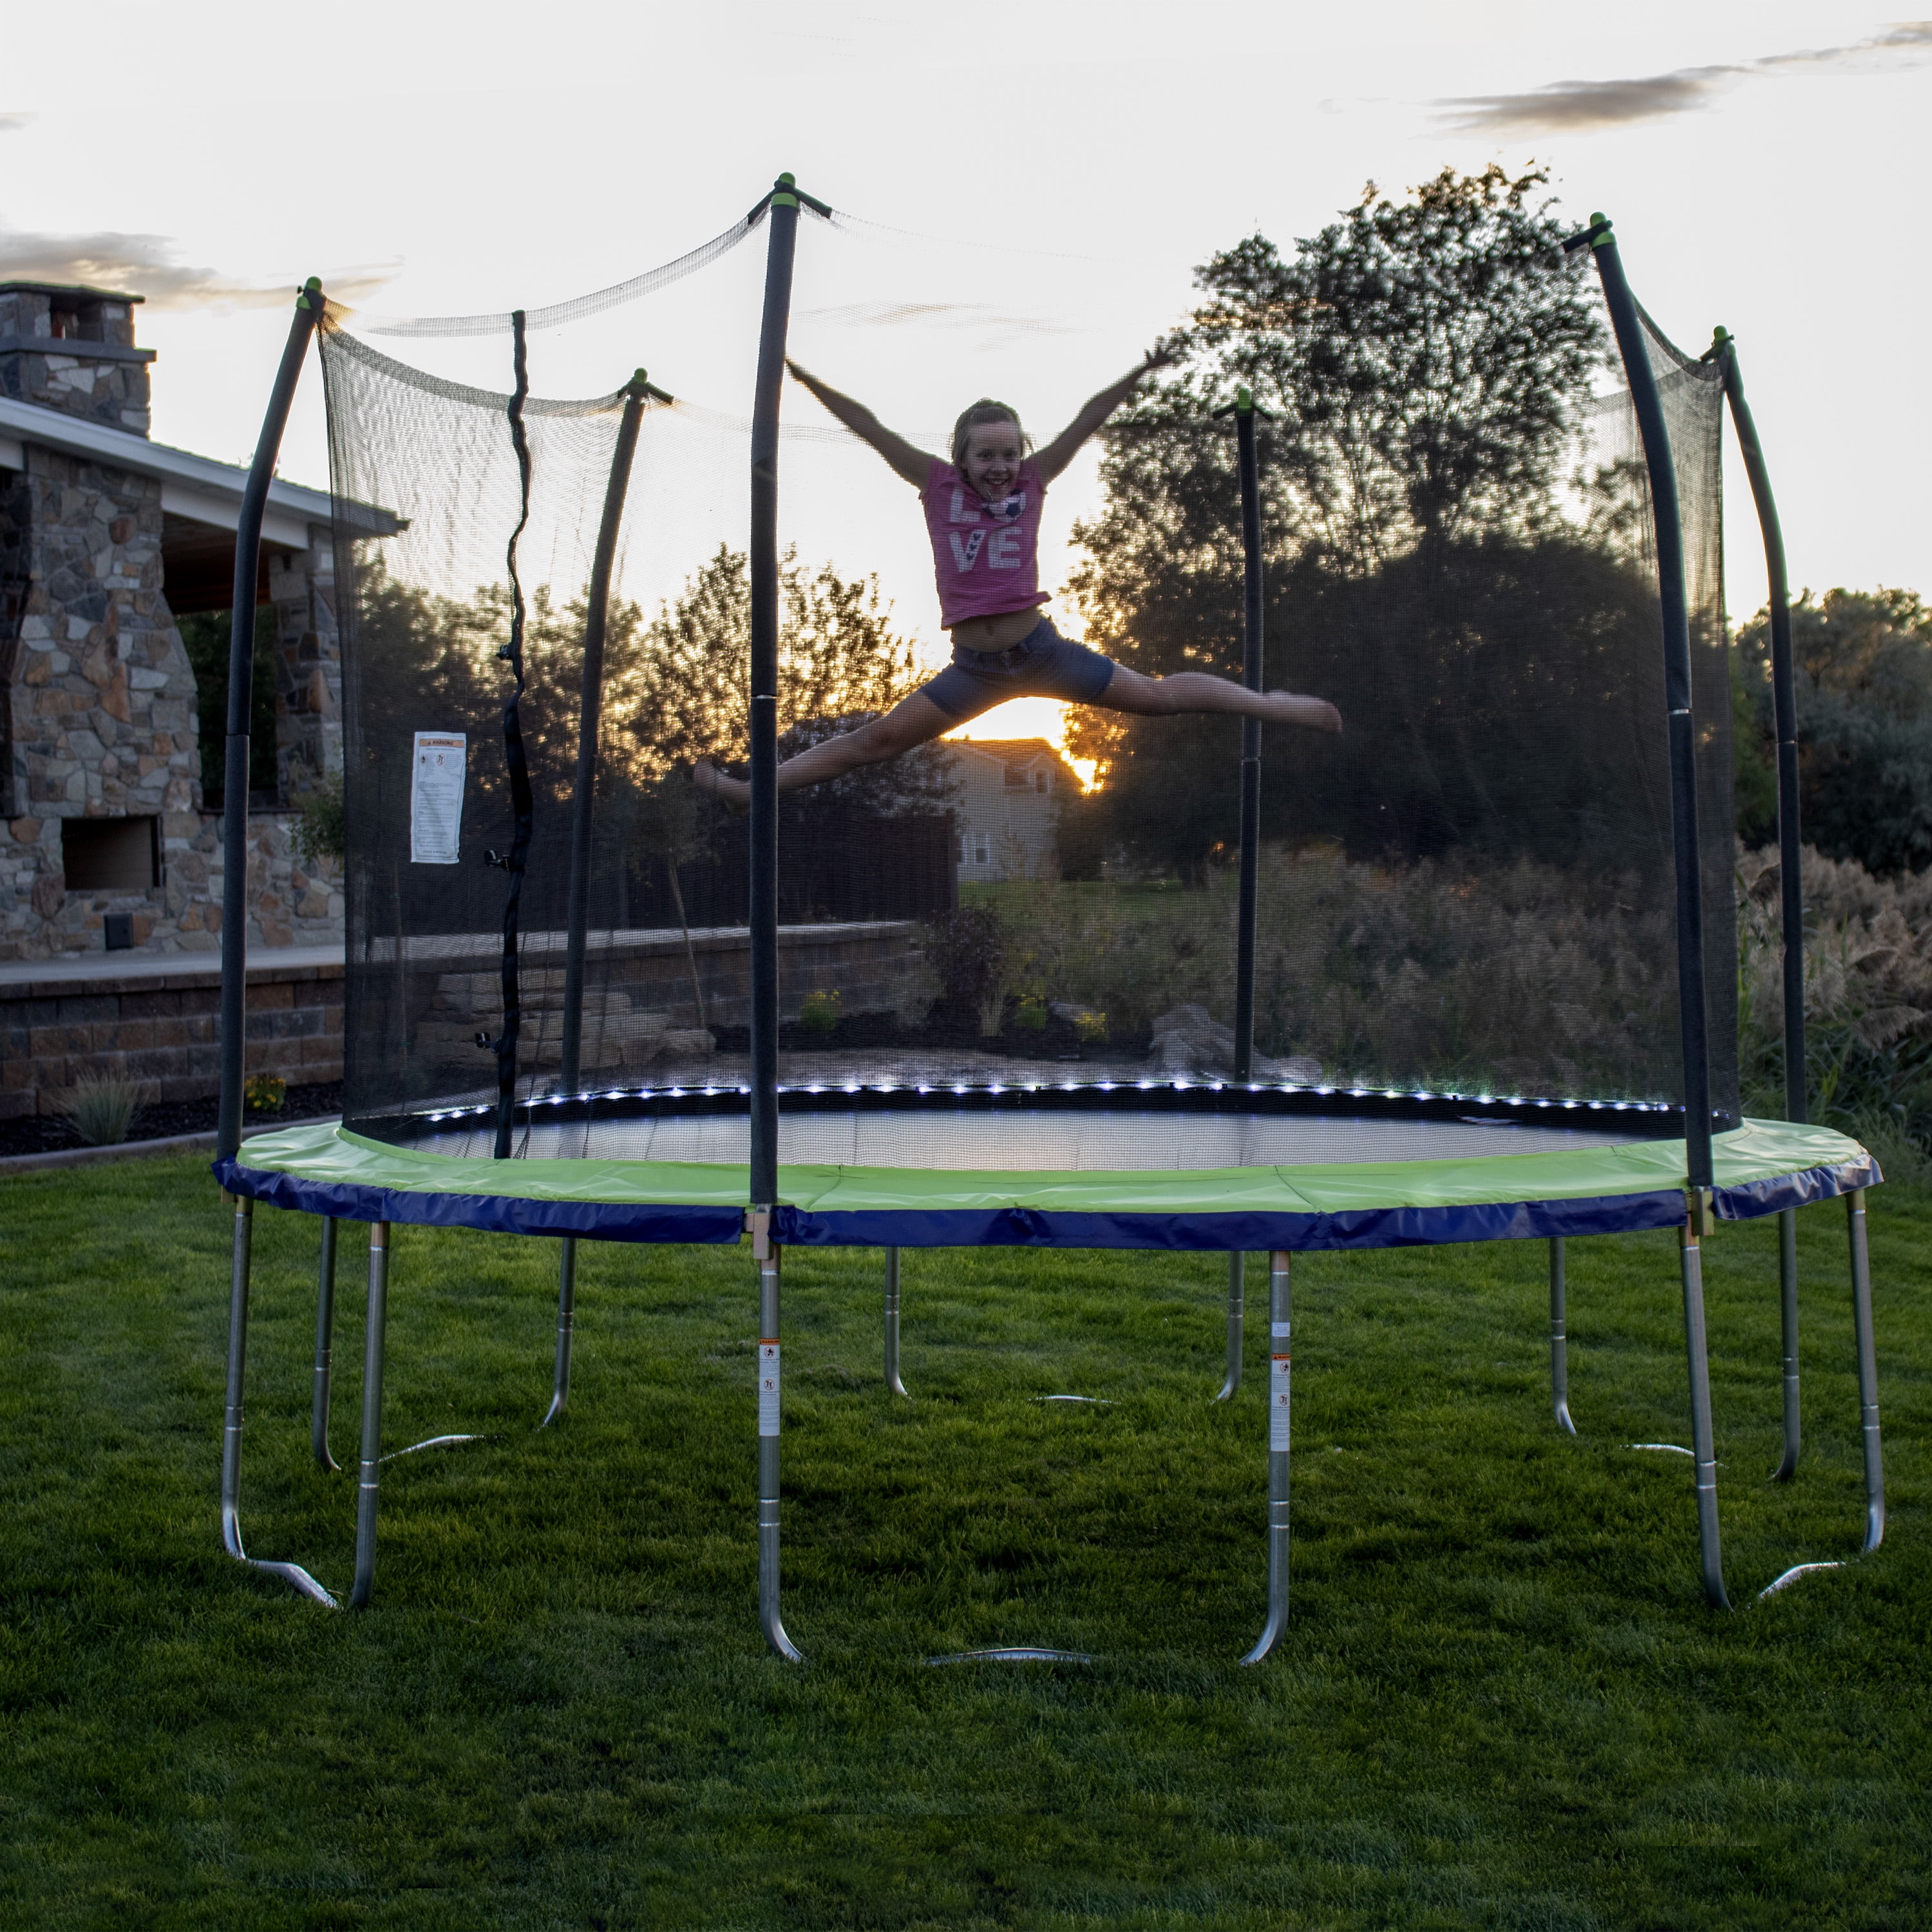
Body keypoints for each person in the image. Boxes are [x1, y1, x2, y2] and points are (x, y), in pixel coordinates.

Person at [690, 352, 1341, 804]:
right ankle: (754, 791)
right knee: (877, 740)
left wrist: (1139, 374)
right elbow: (870, 427)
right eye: (986, 455)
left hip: (1043, 654)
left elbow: (1088, 418)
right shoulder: (935, 484)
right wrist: (807, 381)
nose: (999, 466)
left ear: (1021, 454)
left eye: (1008, 453)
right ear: (962, 458)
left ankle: (1275, 705)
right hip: (975, 671)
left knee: (1159, 696)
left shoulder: (1035, 480)